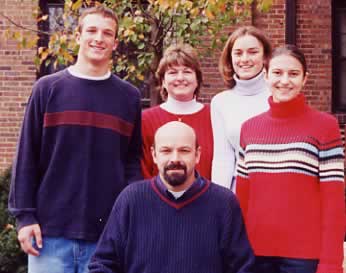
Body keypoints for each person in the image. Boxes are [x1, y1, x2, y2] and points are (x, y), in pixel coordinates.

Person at [8, 6, 142, 273]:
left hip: (107, 237)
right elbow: (26, 157)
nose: (98, 38)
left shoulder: (129, 97)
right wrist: (24, 217)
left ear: (115, 43)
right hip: (49, 236)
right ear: (78, 36)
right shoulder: (47, 89)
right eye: (91, 30)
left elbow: (131, 164)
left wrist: (130, 219)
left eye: (107, 33)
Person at [89, 121, 255, 273]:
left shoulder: (224, 203)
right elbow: (103, 263)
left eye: (184, 151)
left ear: (197, 154)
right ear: (154, 155)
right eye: (166, 151)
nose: (175, 159)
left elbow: (242, 268)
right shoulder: (131, 200)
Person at [237, 44, 345, 273]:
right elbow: (243, 200)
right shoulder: (249, 129)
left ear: (305, 79)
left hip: (305, 258)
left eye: (293, 74)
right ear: (265, 76)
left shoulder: (326, 127)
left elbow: (334, 203)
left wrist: (331, 263)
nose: (284, 80)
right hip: (256, 255)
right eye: (277, 73)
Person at [211, 26, 272, 191]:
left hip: (275, 188)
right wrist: (220, 202)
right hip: (239, 190)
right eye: (238, 53)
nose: (244, 59)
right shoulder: (220, 102)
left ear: (265, 56)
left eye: (253, 52)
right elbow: (223, 158)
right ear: (230, 58)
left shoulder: (277, 96)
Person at [141, 43, 213, 180]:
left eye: (187, 72)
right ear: (162, 81)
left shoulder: (214, 116)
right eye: (173, 72)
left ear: (197, 79)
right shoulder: (145, 120)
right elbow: (143, 168)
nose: (180, 78)